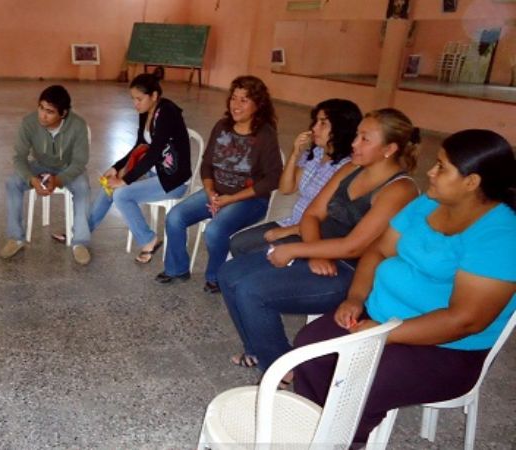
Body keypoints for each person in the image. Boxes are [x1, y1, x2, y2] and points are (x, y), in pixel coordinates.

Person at [293, 129, 516, 446]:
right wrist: (355, 298)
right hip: (379, 315)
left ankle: (341, 438)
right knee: (309, 346)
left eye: (442, 167)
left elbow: (465, 320)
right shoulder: (428, 203)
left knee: (360, 381)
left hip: (444, 347)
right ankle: (317, 427)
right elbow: (379, 250)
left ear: (472, 182)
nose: (430, 172)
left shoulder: (501, 237)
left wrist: (385, 334)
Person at [217, 108, 421, 379]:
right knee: (228, 273)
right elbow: (312, 214)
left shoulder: (400, 189)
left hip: (350, 271)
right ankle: (260, 351)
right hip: (319, 253)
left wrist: (296, 249)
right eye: (357, 135)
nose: (354, 143)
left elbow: (354, 247)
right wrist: (315, 254)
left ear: (389, 149)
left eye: (365, 139)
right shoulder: (351, 168)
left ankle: (283, 371)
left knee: (251, 291)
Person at [156, 76, 282, 293]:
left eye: (244, 100)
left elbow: (273, 179)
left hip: (249, 200)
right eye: (234, 98)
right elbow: (207, 164)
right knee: (175, 217)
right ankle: (177, 269)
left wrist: (230, 199)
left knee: (214, 231)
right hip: (216, 193)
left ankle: (216, 277)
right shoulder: (222, 126)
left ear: (258, 104)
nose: (236, 105)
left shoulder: (265, 135)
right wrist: (210, 192)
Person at [229, 98, 361, 257]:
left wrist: (288, 231)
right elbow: (286, 189)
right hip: (292, 221)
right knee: (237, 243)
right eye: (315, 122)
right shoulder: (316, 154)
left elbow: (330, 220)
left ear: (341, 129)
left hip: (313, 234)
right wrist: (294, 153)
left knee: (255, 255)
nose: (314, 128)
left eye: (323, 124)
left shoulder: (347, 168)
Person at [88, 73, 192, 263]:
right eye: (133, 99)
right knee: (110, 185)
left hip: (173, 179)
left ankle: (149, 240)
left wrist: (125, 180)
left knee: (121, 194)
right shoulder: (146, 111)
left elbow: (153, 153)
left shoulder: (167, 112)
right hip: (154, 172)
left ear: (154, 96)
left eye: (139, 99)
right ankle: (83, 231)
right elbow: (139, 146)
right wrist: (116, 167)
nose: (135, 104)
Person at [0, 85, 92, 265]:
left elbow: (80, 162)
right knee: (12, 182)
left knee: (82, 187)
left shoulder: (78, 125)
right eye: (41, 108)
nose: (43, 115)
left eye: (49, 112)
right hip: (39, 165)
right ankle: (15, 238)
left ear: (63, 113)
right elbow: (19, 157)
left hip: (68, 167)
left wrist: (59, 180)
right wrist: (31, 179)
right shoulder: (29, 123)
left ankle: (80, 242)